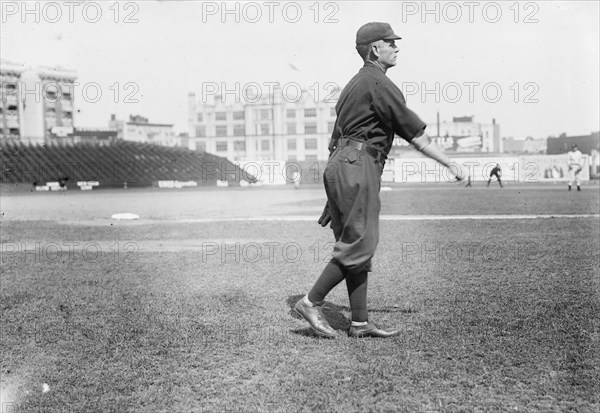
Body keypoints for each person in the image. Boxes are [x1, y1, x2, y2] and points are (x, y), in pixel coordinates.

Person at [294, 22, 464, 339]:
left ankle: (359, 322)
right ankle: (310, 301)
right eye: (391, 43)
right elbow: (415, 134)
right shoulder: (378, 82)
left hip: (342, 164)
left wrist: (338, 190)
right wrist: (449, 162)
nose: (396, 47)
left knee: (356, 242)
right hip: (358, 164)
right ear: (376, 49)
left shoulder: (353, 85)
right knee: (361, 242)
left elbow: (337, 140)